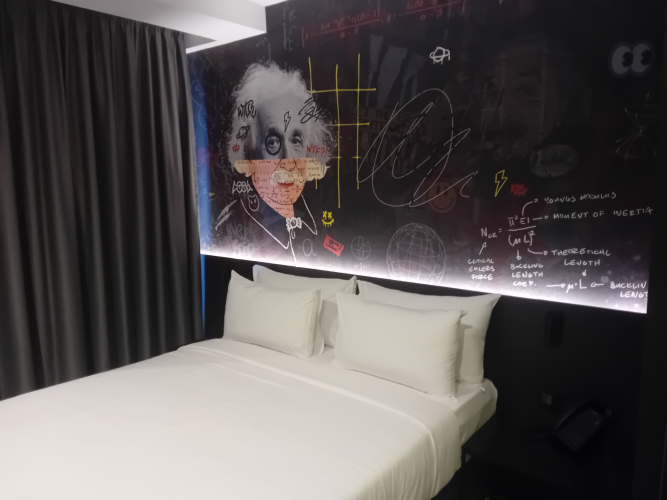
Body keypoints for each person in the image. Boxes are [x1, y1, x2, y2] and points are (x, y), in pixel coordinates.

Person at [226, 62, 334, 262]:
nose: (288, 161)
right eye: (273, 142)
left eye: (296, 141)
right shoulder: (228, 229)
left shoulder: (316, 222)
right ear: (249, 153)